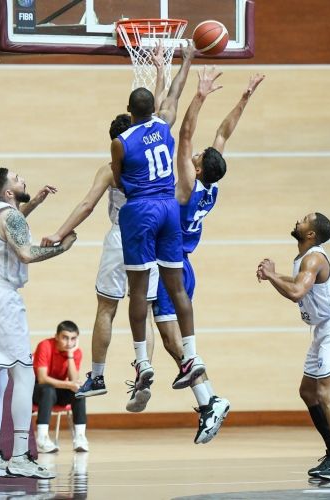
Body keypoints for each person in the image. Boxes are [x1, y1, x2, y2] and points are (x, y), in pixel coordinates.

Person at [146, 68, 265, 444]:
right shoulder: (209, 186)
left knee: (171, 342)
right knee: (173, 342)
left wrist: (198, 96)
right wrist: (243, 98)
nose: (195, 154)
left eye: (196, 157)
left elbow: (184, 136)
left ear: (196, 168)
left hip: (171, 267)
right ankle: (208, 400)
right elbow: (223, 134)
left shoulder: (187, 185)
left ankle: (210, 399)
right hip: (183, 266)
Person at [40, 114, 159, 412]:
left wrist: (59, 232)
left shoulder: (110, 171)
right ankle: (143, 370)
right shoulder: (155, 167)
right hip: (151, 238)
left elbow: (87, 204)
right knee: (143, 309)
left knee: (107, 308)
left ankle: (99, 376)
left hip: (122, 237)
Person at [110, 40, 207, 399]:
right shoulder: (165, 124)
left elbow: (118, 179)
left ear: (128, 110)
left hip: (141, 210)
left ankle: (143, 361)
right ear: (153, 108)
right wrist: (186, 59)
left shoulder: (120, 141)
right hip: (169, 208)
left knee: (138, 290)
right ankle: (192, 355)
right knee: (176, 286)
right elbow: (173, 94)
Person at [0, 168, 77, 480]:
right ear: (8, 192)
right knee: (24, 376)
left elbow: (12, 221)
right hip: (2, 299)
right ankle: (19, 456)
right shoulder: (11, 217)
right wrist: (63, 247)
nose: (23, 180)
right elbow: (26, 253)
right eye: (17, 178)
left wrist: (37, 203)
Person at [256, 213, 330, 481]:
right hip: (323, 329)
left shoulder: (314, 257)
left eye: (304, 220)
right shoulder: (305, 260)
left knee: (325, 394)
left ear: (312, 234)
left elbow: (296, 293)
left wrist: (270, 275)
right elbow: (297, 284)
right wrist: (273, 274)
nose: (298, 221)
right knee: (308, 391)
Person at [32, 320, 89, 453]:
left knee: (79, 391)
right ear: (56, 336)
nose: (69, 342)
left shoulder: (76, 352)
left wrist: (70, 355)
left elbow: (74, 380)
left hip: (58, 391)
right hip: (37, 391)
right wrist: (69, 384)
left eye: (73, 339)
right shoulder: (45, 345)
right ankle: (42, 438)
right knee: (47, 389)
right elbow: (42, 379)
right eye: (65, 338)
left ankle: (80, 437)